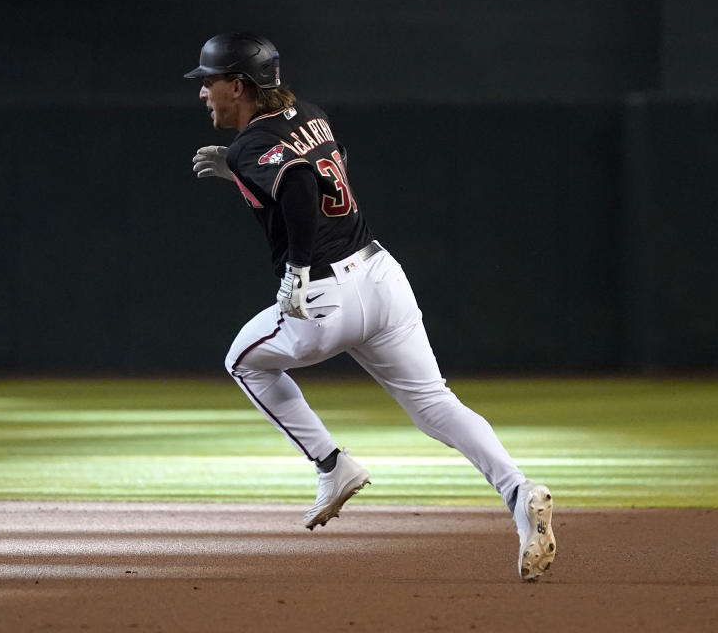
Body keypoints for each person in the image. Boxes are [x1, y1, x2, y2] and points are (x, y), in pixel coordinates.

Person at [185, 32, 556, 580]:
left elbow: (301, 188)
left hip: (325, 295)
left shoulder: (249, 145)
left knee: (242, 360)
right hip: (382, 277)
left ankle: (332, 465)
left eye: (210, 81)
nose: (203, 93)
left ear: (238, 86)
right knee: (435, 404)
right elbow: (306, 163)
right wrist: (243, 172)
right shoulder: (309, 112)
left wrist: (297, 268)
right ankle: (519, 491)